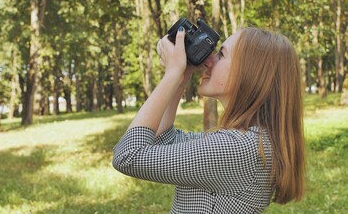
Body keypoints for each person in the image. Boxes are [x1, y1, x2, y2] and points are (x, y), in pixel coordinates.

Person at [112, 26, 305, 213]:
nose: (208, 61)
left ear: (251, 74)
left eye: (221, 55)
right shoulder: (251, 142)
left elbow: (128, 156)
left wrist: (172, 74)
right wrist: (183, 73)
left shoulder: (240, 148)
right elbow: (162, 139)